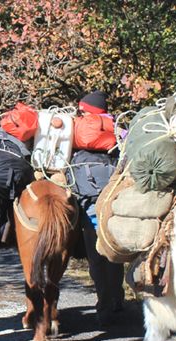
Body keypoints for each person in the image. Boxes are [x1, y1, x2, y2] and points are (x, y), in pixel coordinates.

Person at [74, 91, 125, 325]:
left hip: (87, 205)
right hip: (112, 203)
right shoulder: (115, 129)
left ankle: (103, 302)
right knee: (113, 255)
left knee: (95, 259)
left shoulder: (77, 132)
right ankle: (116, 299)